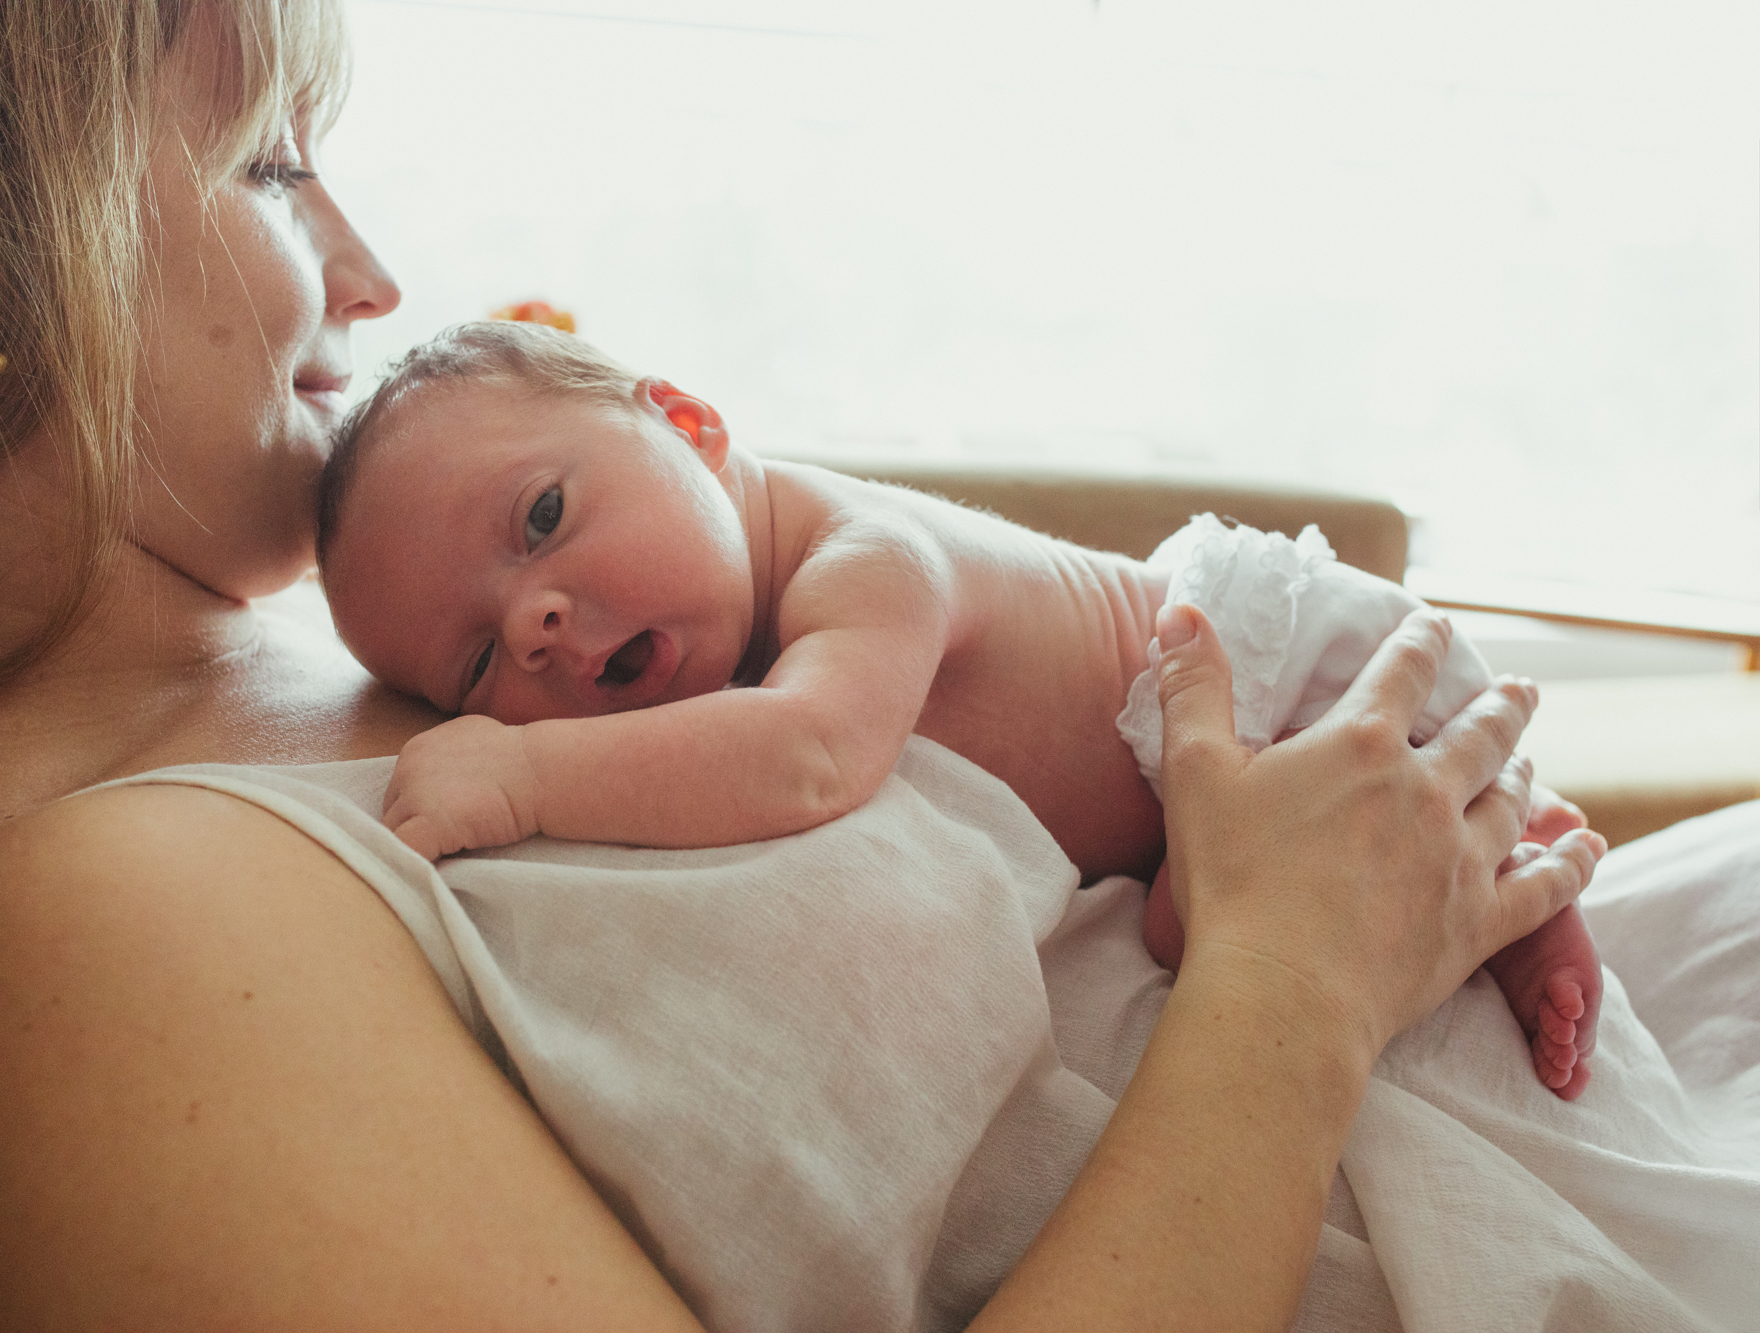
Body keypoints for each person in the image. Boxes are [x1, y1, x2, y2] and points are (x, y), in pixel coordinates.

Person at [0, 1, 1609, 1328]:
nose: (377, 271)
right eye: (272, 164)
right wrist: (1296, 979)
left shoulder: (357, 645)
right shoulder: (105, 951)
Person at [317, 320, 1605, 1098]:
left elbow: (813, 755)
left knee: (1452, 827)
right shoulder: (734, 616)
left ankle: (1541, 898)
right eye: (477, 664)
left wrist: (524, 778)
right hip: (1179, 794)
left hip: (1279, 673)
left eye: (543, 517)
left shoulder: (864, 558)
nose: (535, 622)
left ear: (690, 424)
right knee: (1181, 927)